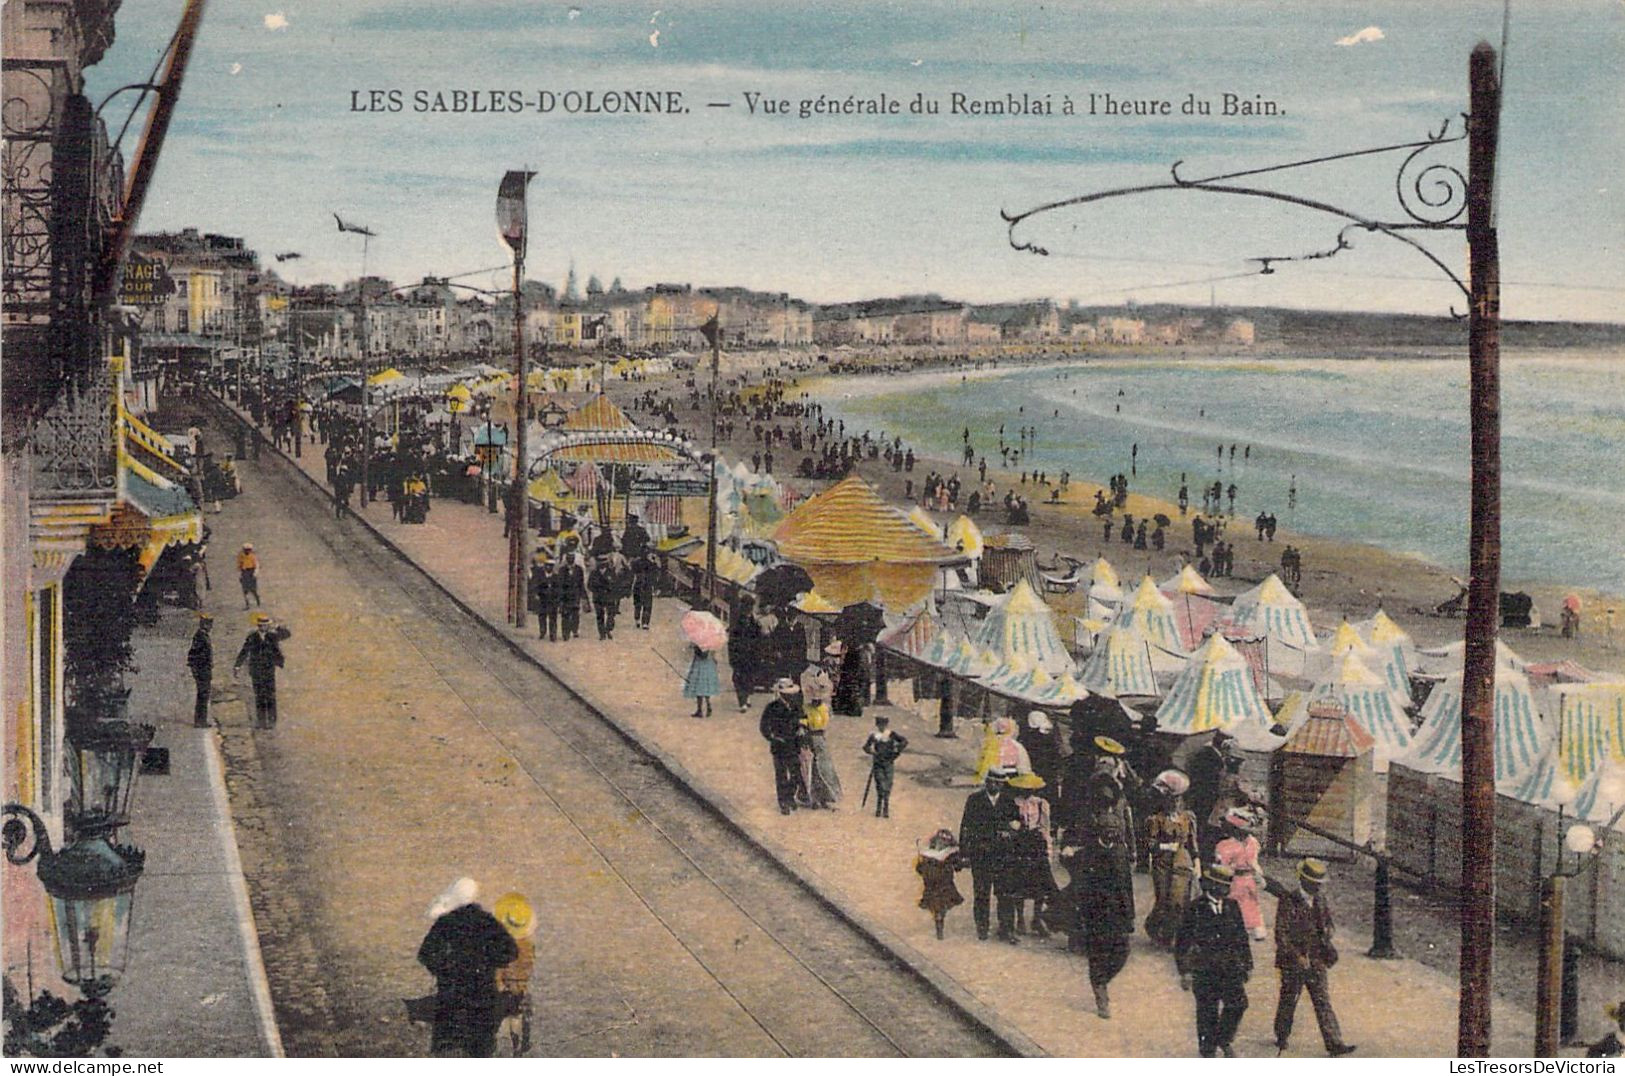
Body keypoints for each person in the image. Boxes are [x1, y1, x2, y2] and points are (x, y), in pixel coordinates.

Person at [1070, 737, 1138, 1017]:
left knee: (1122, 945)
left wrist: (1133, 853)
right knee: (1098, 939)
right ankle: (1100, 988)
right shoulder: (1087, 810)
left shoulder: (1122, 804)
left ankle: (1102, 979)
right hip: (1097, 878)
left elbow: (1129, 829)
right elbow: (1076, 835)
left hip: (1119, 876)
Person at [417, 878, 518, 1058]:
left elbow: (425, 954)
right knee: (481, 1050)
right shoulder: (488, 922)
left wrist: (444, 970)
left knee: (448, 1048)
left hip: (451, 995)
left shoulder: (446, 922)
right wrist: (488, 963)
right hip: (483, 994)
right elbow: (510, 951)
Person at [1266, 858, 1357, 1056]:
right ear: (1304, 881)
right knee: (1289, 998)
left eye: (1320, 884)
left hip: (1317, 958)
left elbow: (1329, 923)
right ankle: (1282, 1034)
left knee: (1322, 999)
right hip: (1293, 961)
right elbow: (1281, 935)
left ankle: (1334, 1042)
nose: (1318, 887)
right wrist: (1297, 956)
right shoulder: (1288, 900)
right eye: (1315, 884)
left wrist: (1328, 931)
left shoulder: (1320, 900)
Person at [1176, 864, 1253, 1058]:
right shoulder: (1195, 909)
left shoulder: (1232, 906)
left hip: (1230, 968)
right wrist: (1184, 972)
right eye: (1223, 885)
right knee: (1207, 1013)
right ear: (1211, 885)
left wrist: (1248, 964)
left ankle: (1223, 1038)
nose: (1227, 889)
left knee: (1238, 1004)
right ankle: (1208, 1052)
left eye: (1228, 885)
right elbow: (1182, 943)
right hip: (1205, 971)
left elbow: (1242, 938)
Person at [958, 769, 1020, 942]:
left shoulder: (1008, 802)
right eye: (991, 782)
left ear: (1002, 784)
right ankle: (982, 927)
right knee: (982, 893)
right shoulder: (974, 800)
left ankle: (1007, 929)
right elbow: (965, 827)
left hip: (1003, 855)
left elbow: (1017, 824)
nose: (994, 785)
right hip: (981, 854)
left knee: (1005, 893)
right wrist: (964, 853)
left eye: (998, 783)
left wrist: (1011, 833)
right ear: (986, 782)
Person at [1144, 770, 1200, 948]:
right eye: (1171, 800)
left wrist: (1197, 862)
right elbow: (1149, 844)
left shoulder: (1188, 818)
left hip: (1182, 861)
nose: (1175, 803)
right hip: (1162, 862)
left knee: (1179, 900)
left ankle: (1173, 934)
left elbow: (1193, 843)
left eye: (1177, 799)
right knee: (1163, 900)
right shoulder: (1156, 819)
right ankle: (1154, 928)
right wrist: (1166, 846)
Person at [1006, 772, 1057, 938]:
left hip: (1036, 845)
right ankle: (1020, 918)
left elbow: (1045, 829)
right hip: (1020, 844)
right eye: (1024, 788)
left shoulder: (1041, 804)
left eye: (1030, 788)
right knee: (1019, 883)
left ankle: (1037, 917)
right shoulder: (1014, 804)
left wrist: (1048, 852)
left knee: (1040, 884)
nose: (1027, 791)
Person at [492, 892, 537, 1057]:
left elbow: (498, 968)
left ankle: (508, 1048)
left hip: (505, 987)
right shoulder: (528, 944)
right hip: (521, 986)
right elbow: (529, 966)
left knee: (505, 1018)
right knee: (517, 1016)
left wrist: (499, 984)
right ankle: (519, 1046)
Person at [1215, 808, 1268, 940]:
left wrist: (1258, 874)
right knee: (1233, 902)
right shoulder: (1225, 845)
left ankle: (1254, 926)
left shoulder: (1252, 843)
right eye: (1241, 831)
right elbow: (1222, 865)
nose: (1244, 834)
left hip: (1249, 878)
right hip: (1234, 880)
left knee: (1250, 902)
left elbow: (1254, 861)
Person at [760, 679, 807, 814]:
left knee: (795, 773)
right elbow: (764, 726)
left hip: (793, 744)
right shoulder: (772, 707)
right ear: (781, 694)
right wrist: (772, 737)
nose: (791, 696)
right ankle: (783, 803)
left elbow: (803, 718)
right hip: (779, 746)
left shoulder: (796, 705)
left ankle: (790, 797)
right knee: (781, 775)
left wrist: (802, 727)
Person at [234, 612, 287, 728]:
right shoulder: (252, 637)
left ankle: (272, 720)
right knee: (259, 696)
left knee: (270, 695)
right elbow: (244, 651)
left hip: (269, 670)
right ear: (258, 626)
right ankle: (261, 720)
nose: (264, 627)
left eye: (266, 625)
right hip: (256, 670)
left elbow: (286, 634)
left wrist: (277, 626)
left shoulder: (272, 636)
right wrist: (237, 665)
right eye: (261, 625)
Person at [799, 686, 842, 808]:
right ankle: (813, 798)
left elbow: (824, 724)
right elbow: (803, 722)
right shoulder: (806, 708)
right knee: (811, 768)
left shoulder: (824, 709)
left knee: (824, 768)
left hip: (820, 739)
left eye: (818, 699)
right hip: (809, 737)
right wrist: (803, 728)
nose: (816, 701)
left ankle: (825, 797)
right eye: (814, 699)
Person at [861, 714, 908, 818]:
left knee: (888, 785)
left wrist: (897, 750)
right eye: (880, 724)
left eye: (883, 724)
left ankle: (885, 808)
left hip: (889, 763)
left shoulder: (891, 734)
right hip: (878, 763)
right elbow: (865, 747)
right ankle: (878, 807)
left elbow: (904, 741)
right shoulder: (874, 736)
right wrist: (872, 752)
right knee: (880, 785)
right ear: (877, 725)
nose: (881, 726)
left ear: (886, 724)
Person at [728, 597, 764, 713]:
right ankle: (742, 701)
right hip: (740, 655)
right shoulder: (737, 622)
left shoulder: (754, 622)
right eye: (746, 607)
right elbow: (732, 641)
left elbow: (759, 640)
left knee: (750, 678)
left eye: (750, 607)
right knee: (738, 678)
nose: (748, 609)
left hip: (752, 656)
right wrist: (732, 657)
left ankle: (746, 697)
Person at [187, 612, 214, 728]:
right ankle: (200, 721)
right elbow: (192, 654)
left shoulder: (203, 635)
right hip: (201, 670)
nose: (210, 627)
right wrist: (194, 669)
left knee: (204, 694)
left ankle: (201, 720)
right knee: (203, 695)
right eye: (209, 624)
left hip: (205, 669)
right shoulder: (200, 636)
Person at [681, 640, 718, 718]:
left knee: (698, 685)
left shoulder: (697, 639)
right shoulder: (711, 638)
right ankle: (708, 705)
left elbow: (692, 652)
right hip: (708, 663)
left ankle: (700, 709)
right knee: (706, 685)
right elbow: (713, 654)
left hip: (699, 663)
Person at [630, 551, 657, 630]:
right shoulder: (651, 564)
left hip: (638, 584)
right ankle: (645, 623)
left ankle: (637, 619)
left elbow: (632, 573)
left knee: (637, 604)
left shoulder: (635, 563)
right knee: (647, 604)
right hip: (647, 585)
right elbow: (655, 574)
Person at [237, 543, 261, 608]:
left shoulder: (253, 556)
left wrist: (255, 574)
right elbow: (239, 566)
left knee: (253, 589)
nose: (247, 551)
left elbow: (256, 566)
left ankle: (257, 600)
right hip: (244, 573)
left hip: (251, 573)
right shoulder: (241, 556)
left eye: (248, 550)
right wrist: (240, 575)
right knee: (245, 590)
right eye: (246, 550)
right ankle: (247, 603)